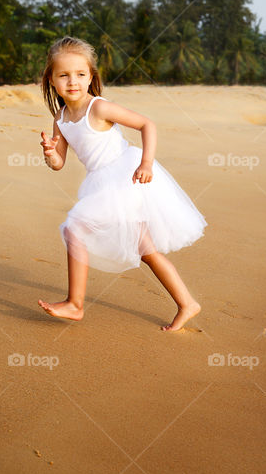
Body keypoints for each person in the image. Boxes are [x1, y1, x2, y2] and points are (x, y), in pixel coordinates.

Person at [36, 36, 206, 331]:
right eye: (63, 75)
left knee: (74, 227)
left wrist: (147, 164)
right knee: (145, 248)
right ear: (51, 79)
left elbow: (146, 124)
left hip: (126, 176)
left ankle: (75, 304)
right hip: (101, 183)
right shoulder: (60, 119)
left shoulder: (98, 108)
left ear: (91, 77)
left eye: (80, 74)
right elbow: (58, 165)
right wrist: (50, 152)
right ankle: (187, 303)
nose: (72, 81)